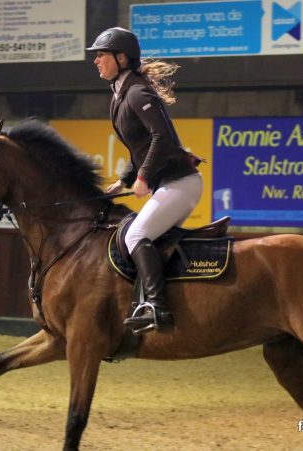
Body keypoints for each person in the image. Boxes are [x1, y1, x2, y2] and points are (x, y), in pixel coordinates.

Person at [87, 27, 202, 334]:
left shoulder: (137, 92)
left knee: (135, 235)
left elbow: (162, 136)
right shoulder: (120, 94)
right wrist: (124, 181)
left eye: (101, 55)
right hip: (169, 184)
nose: (96, 61)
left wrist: (143, 177)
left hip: (181, 183)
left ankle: (157, 307)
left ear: (121, 58)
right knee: (140, 233)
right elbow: (139, 145)